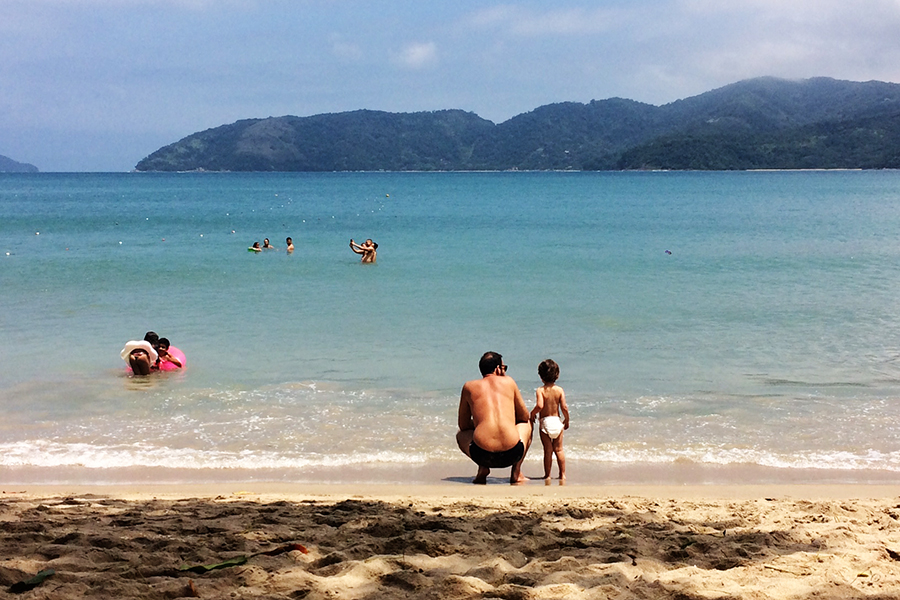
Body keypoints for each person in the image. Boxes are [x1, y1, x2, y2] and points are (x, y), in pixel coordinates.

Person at [457, 351, 532, 484]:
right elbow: (524, 416)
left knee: (460, 435)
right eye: (504, 368)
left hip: (482, 454)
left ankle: (483, 468)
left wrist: (480, 424)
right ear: (498, 369)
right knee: (527, 423)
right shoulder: (508, 382)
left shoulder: (469, 386)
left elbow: (463, 425)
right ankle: (516, 472)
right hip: (512, 452)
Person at [530, 359, 570, 482]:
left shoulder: (540, 390)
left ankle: (547, 475)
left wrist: (532, 414)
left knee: (548, 450)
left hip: (545, 422)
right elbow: (564, 407)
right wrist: (567, 420)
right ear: (557, 375)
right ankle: (562, 475)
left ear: (541, 376)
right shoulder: (559, 390)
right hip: (557, 421)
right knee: (559, 449)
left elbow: (540, 406)